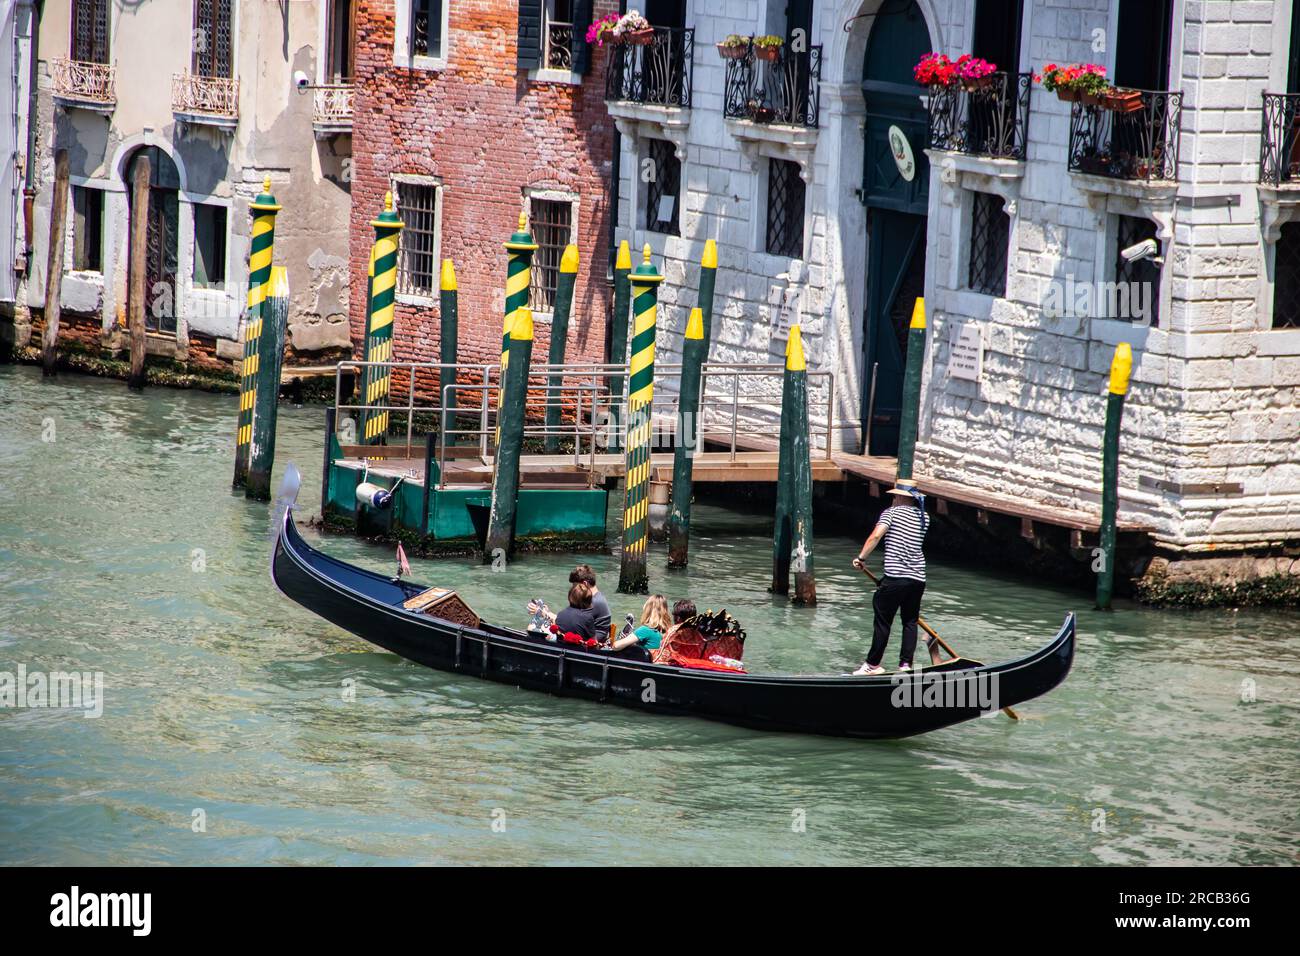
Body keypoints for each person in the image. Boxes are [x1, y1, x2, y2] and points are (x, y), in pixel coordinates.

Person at [850, 486, 932, 675]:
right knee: (910, 622)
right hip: (918, 579)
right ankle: (905, 665)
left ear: (901, 498)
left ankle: (872, 665)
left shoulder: (891, 513)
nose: (893, 498)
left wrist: (861, 558)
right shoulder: (924, 517)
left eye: (895, 496)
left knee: (883, 621)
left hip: (895, 578)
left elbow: (876, 536)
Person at [570, 565, 611, 632]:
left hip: (592, 640)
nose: (573, 589)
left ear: (585, 584)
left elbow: (572, 622)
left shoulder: (593, 602)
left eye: (574, 585)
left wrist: (550, 616)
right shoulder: (597, 597)